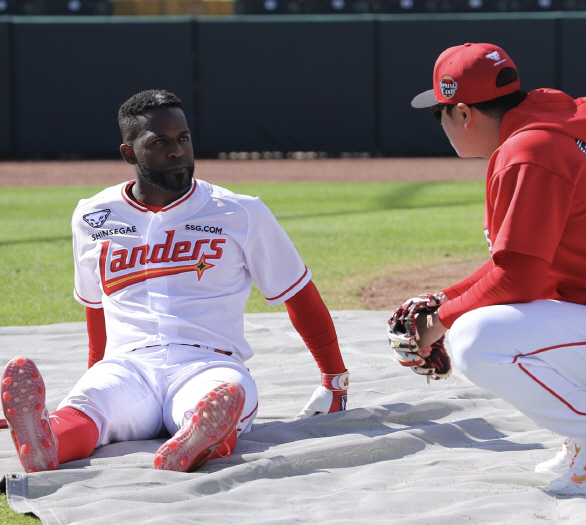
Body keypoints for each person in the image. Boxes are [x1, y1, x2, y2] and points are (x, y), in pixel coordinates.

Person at [401, 42, 586, 495]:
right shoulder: (537, 137)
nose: (440, 124)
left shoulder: (530, 151)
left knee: (475, 339)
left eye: (438, 113)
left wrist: (439, 323)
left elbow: (519, 281)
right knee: (479, 324)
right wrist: (446, 299)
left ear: (463, 114)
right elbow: (517, 265)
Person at [1, 89, 349, 473]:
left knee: (221, 398)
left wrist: (334, 378)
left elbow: (298, 293)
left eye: (183, 138)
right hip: (127, 365)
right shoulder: (92, 215)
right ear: (129, 154)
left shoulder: (239, 211)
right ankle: (45, 441)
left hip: (210, 362)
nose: (178, 151)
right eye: (160, 142)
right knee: (88, 410)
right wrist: (95, 374)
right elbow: (96, 308)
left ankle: (197, 439)